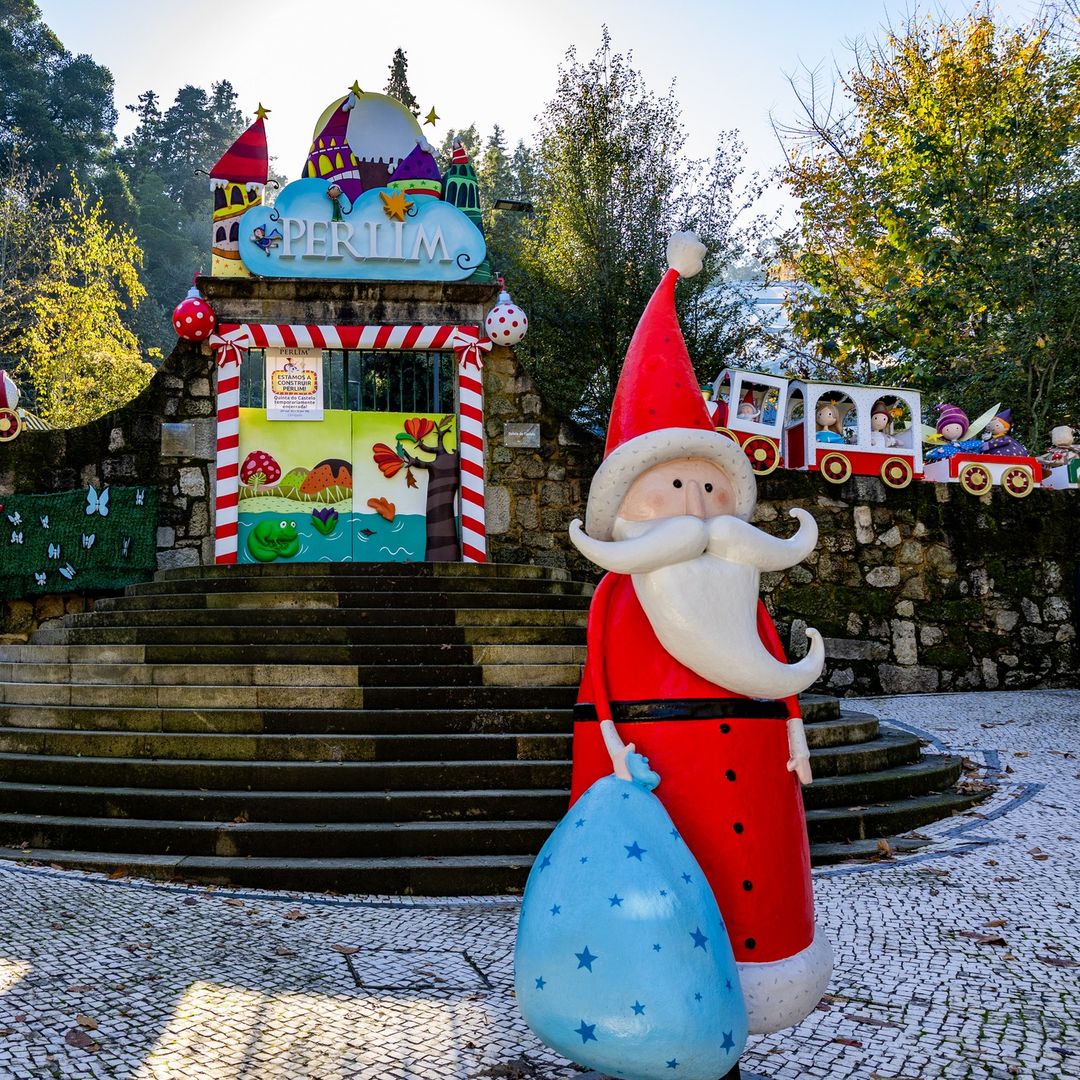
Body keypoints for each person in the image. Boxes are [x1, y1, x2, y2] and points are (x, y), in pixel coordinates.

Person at [567, 231, 833, 1038]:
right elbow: (600, 688)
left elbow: (769, 660)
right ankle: (637, 1015)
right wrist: (607, 746)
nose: (693, 508)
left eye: (708, 487)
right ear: (622, 510)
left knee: (751, 899)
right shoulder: (620, 598)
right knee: (661, 903)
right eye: (670, 488)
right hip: (653, 772)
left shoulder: (735, 586)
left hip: (754, 770)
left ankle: (757, 995)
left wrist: (792, 728)